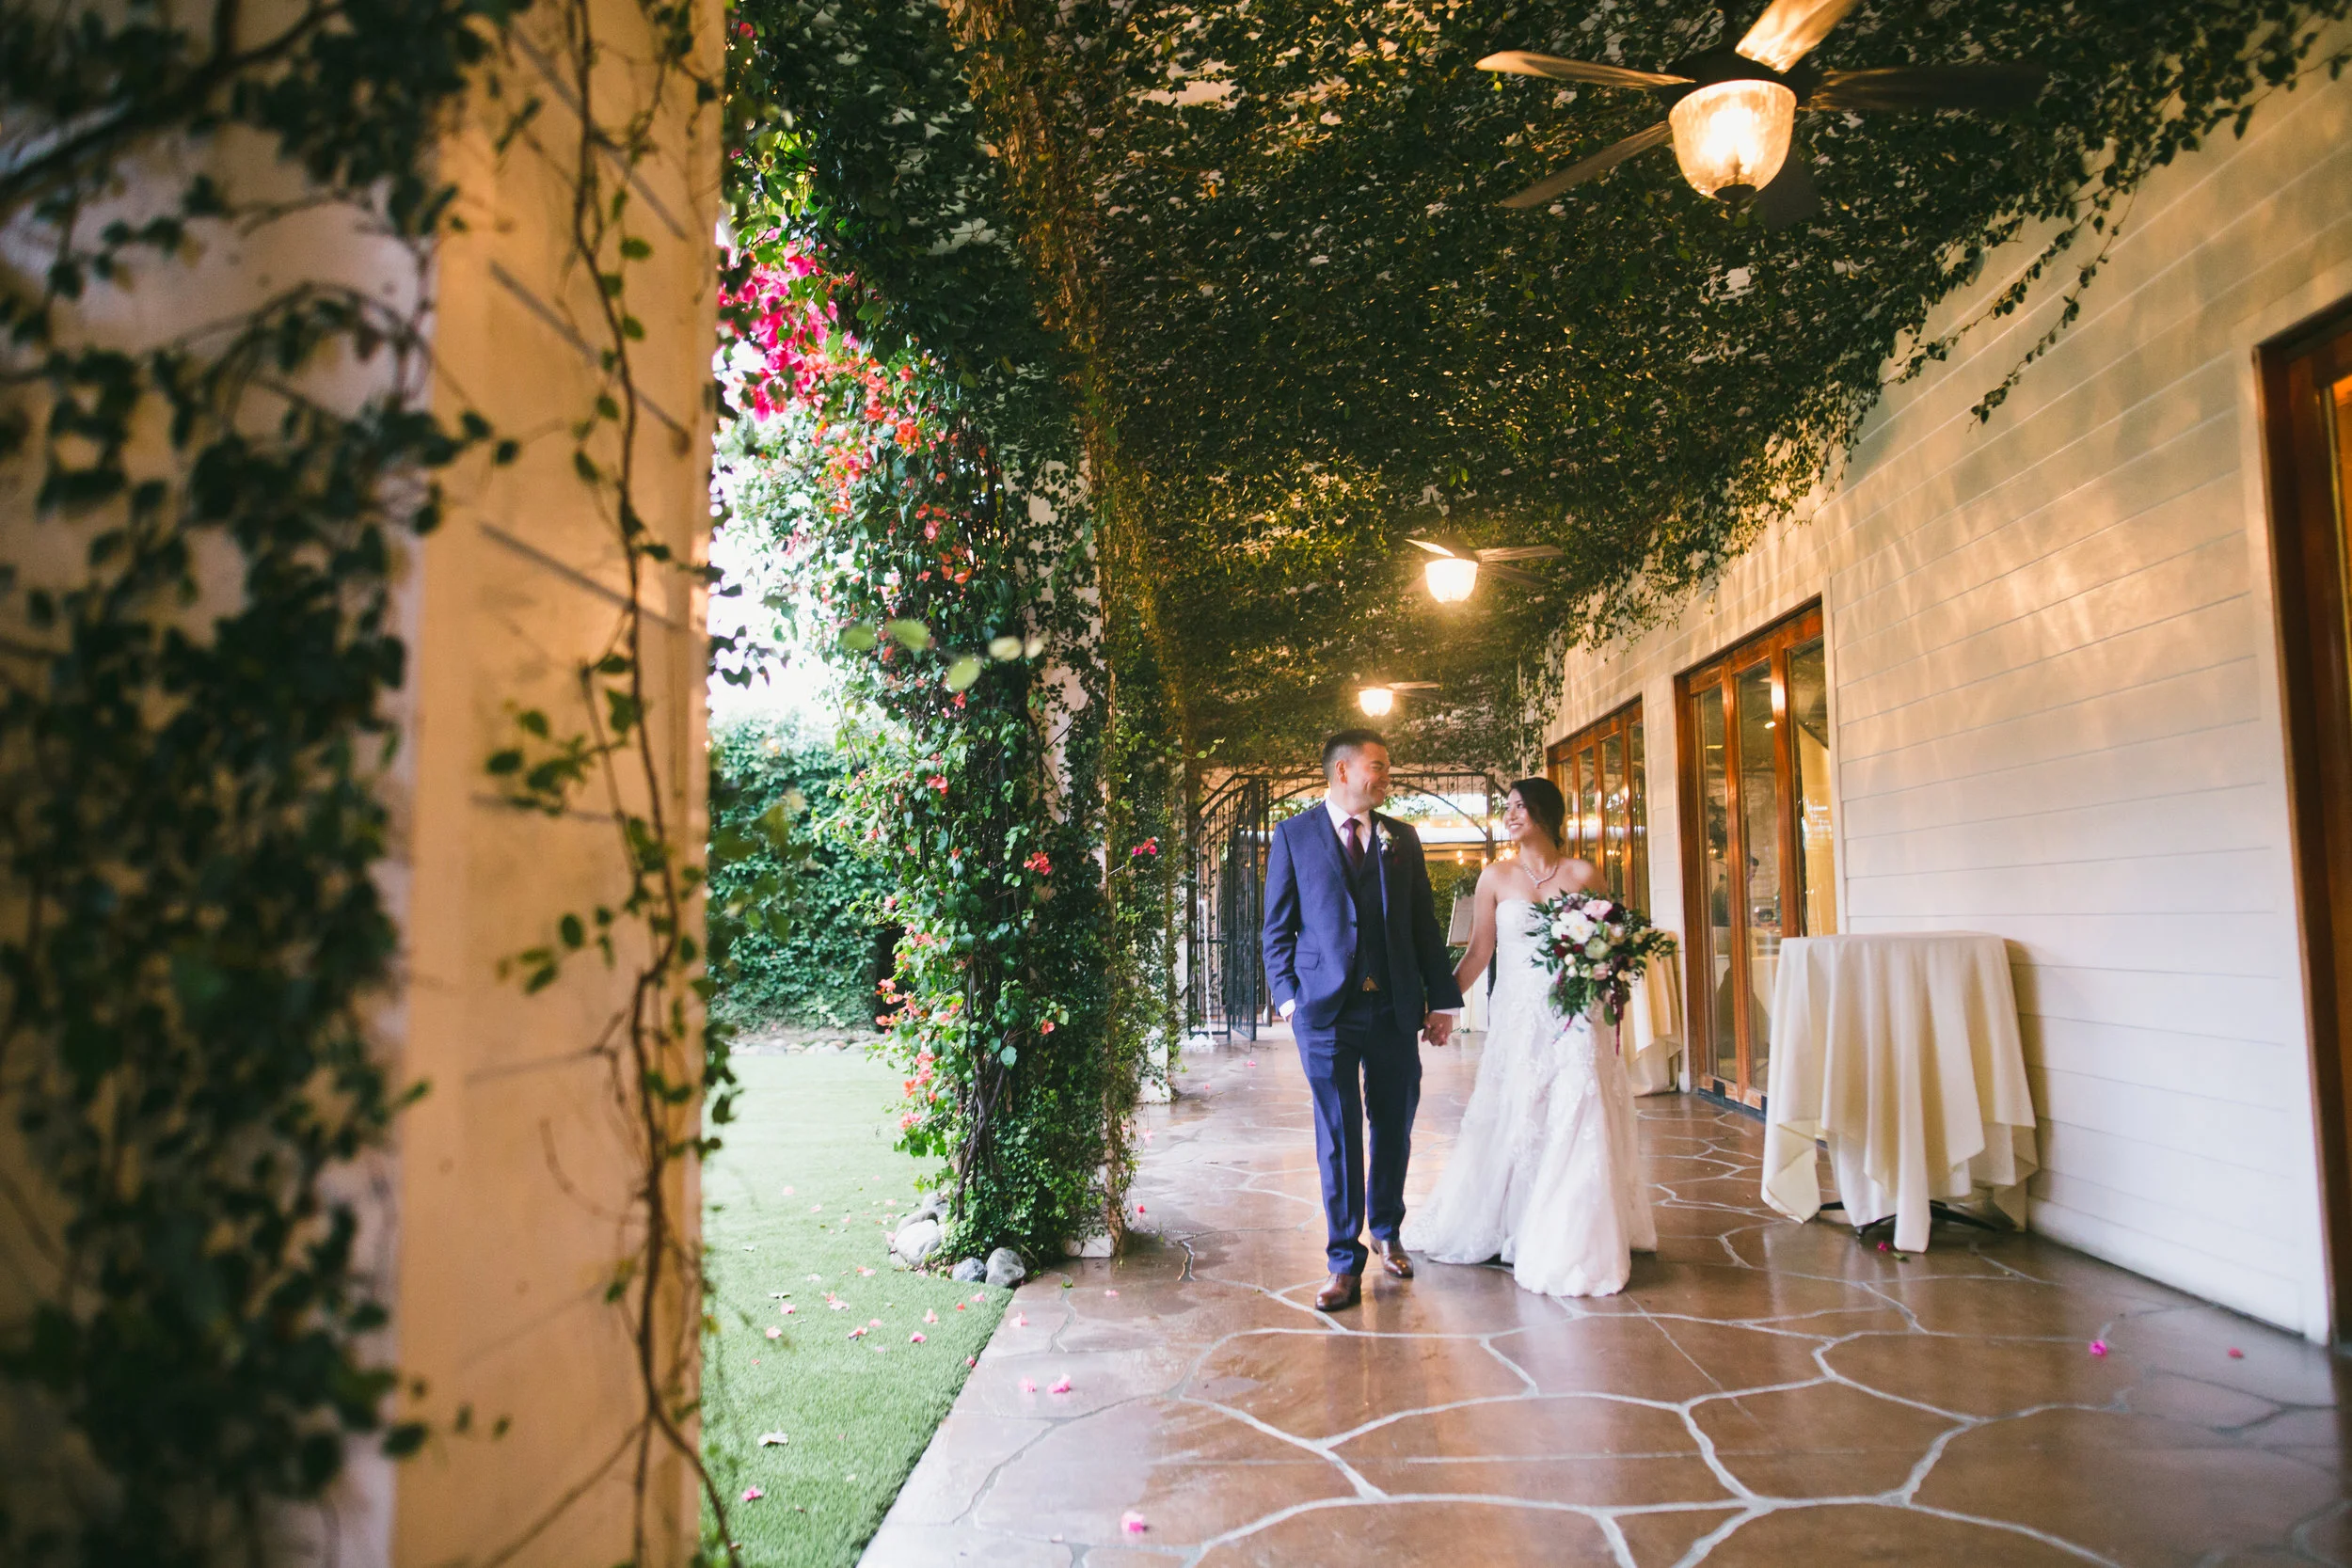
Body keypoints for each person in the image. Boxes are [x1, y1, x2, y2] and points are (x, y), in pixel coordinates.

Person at [1402, 777, 1657, 1297]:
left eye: (1521, 806)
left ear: (1546, 812)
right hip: (1518, 1018)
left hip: (1576, 1018)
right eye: (1508, 807)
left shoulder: (1583, 873)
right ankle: (1510, 1218)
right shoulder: (1494, 877)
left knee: (1575, 1111)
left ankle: (1571, 1230)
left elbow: (1611, 944)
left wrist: (1612, 993)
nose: (1511, 814)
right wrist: (1442, 1007)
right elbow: (1478, 953)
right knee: (1518, 1110)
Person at [1260, 730, 1465, 1312]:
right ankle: (1342, 1262)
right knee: (1340, 1135)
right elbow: (1277, 929)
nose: (1386, 776)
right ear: (1343, 771)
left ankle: (1387, 1230)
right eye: (1378, 766)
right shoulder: (1295, 835)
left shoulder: (1402, 838)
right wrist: (1289, 1000)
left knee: (1395, 1123)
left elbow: (1424, 925)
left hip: (1394, 1006)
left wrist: (1442, 1001)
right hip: (1325, 1011)